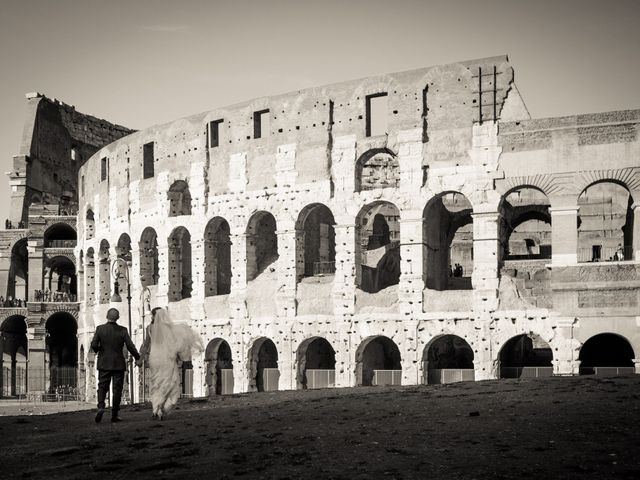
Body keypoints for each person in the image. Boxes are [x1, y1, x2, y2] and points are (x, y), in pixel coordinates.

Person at [136, 307, 203, 420]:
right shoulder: (169, 329)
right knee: (168, 382)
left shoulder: (149, 328)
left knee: (156, 382)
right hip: (167, 357)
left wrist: (140, 359)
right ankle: (162, 407)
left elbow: (145, 345)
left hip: (155, 357)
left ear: (153, 316)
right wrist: (177, 356)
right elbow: (174, 344)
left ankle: (155, 409)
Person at [90, 308, 140, 423]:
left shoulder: (100, 329)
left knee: (102, 386)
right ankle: (114, 414)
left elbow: (93, 344)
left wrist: (98, 350)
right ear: (117, 318)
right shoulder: (123, 330)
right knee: (117, 389)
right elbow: (130, 346)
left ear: (107, 316)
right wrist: (137, 357)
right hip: (118, 364)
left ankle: (101, 406)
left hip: (104, 363)